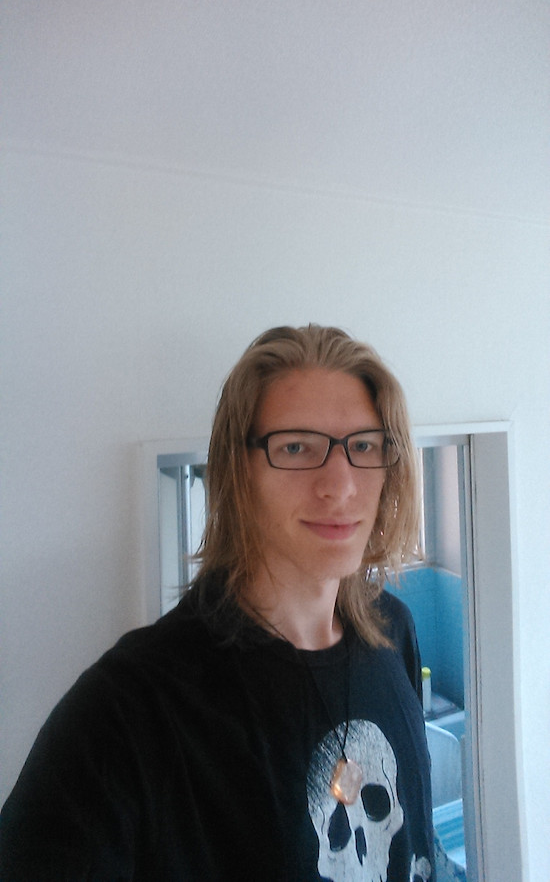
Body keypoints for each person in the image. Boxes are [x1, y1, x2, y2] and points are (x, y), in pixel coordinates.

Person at [0, 324, 435, 881]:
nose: (340, 485)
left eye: (364, 446)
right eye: (295, 447)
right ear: (238, 471)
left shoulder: (394, 632)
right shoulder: (128, 711)